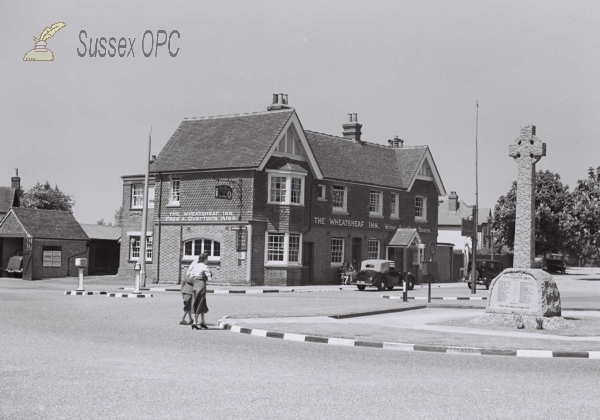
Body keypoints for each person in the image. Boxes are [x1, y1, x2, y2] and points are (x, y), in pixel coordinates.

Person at [186, 253, 212, 330]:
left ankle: (202, 322)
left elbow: (191, 276)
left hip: (195, 284)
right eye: (207, 259)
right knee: (200, 302)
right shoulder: (205, 266)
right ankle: (195, 322)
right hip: (201, 284)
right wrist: (205, 276)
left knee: (200, 302)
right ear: (205, 259)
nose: (208, 260)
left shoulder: (195, 266)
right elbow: (209, 278)